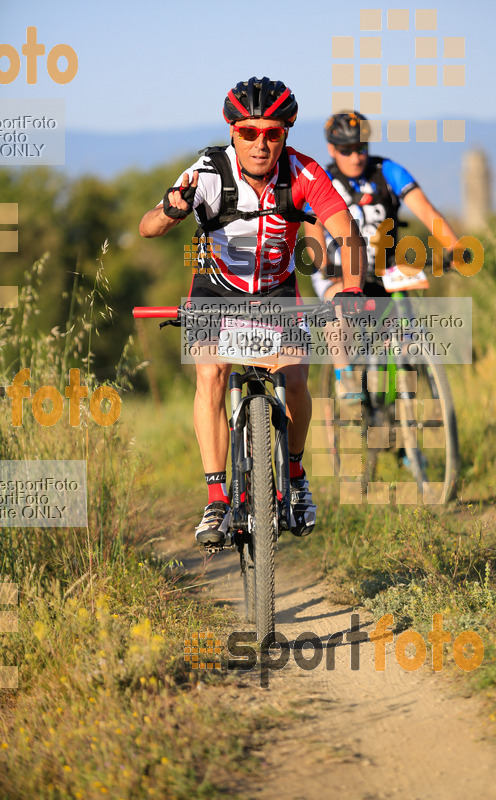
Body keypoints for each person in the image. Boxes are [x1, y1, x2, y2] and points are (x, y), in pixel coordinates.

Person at [139, 78, 368, 546]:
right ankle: (216, 499)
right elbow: (148, 227)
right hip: (215, 291)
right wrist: (171, 210)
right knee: (212, 375)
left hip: (276, 292)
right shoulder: (206, 172)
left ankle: (298, 475)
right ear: (232, 130)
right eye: (249, 133)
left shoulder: (303, 173)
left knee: (297, 379)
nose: (261, 144)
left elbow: (346, 230)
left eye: (272, 134)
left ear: (286, 133)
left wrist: (350, 289)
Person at [304, 111, 461, 399]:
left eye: (361, 148)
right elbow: (312, 228)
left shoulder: (388, 171)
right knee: (338, 312)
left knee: (406, 328)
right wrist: (324, 268)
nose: (355, 157)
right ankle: (346, 378)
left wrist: (453, 247)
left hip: (384, 266)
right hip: (339, 269)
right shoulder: (322, 179)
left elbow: (425, 210)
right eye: (346, 150)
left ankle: (406, 398)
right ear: (331, 149)